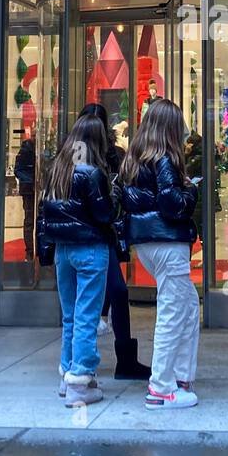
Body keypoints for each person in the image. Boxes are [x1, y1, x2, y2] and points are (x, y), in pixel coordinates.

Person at [119, 98, 201, 409]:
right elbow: (172, 203)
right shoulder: (165, 159)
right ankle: (162, 387)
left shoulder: (136, 159)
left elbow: (135, 199)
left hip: (148, 242)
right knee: (173, 311)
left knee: (187, 305)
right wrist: (191, 190)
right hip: (168, 242)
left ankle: (179, 376)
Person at [39, 115, 116, 406]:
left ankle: (68, 375)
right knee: (87, 316)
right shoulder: (91, 173)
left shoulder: (57, 169)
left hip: (63, 251)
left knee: (71, 315)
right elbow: (104, 214)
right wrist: (115, 196)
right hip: (90, 249)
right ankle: (80, 383)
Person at [79, 103, 149, 380]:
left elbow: (121, 195)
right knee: (83, 301)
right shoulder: (73, 157)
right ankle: (77, 366)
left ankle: (123, 359)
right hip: (84, 235)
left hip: (102, 234)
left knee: (116, 293)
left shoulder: (112, 156)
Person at [14, 131, 37, 261]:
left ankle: (38, 250)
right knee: (29, 220)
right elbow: (18, 170)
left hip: (39, 188)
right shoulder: (25, 151)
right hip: (29, 189)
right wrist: (31, 180)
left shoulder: (43, 149)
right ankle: (29, 251)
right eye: (34, 136)